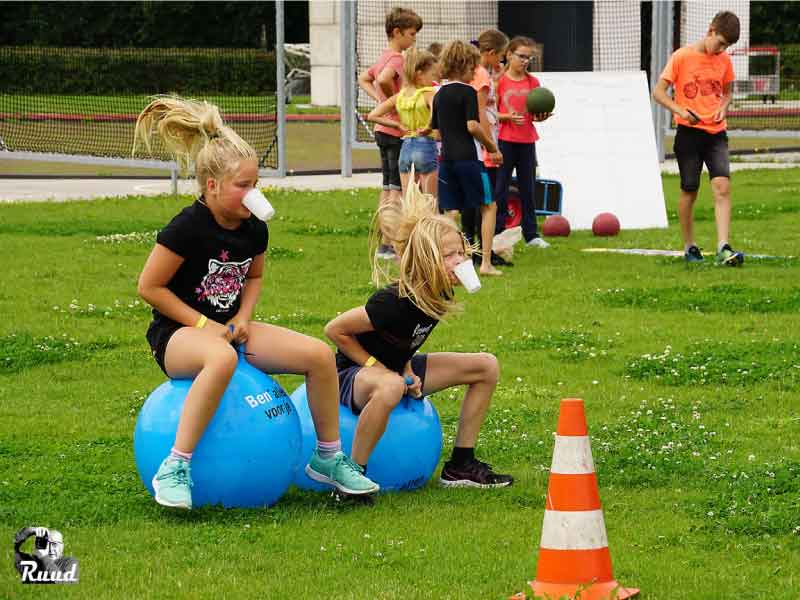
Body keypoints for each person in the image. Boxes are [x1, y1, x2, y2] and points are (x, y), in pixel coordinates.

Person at [134, 96, 378, 509]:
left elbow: (255, 276)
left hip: (231, 331)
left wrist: (243, 317)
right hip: (178, 336)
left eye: (256, 183)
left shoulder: (254, 228)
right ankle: (175, 466)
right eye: (242, 186)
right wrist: (202, 327)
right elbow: (149, 288)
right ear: (211, 186)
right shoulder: (186, 227)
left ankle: (329, 457)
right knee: (222, 360)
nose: (253, 193)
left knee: (319, 355)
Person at [325, 180, 514, 489]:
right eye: (449, 255)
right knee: (389, 387)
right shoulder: (393, 302)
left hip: (395, 369)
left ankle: (460, 466)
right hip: (352, 374)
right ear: (426, 260)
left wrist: (407, 367)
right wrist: (380, 369)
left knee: (486, 366)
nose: (461, 260)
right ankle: (352, 476)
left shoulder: (439, 292)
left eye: (461, 252)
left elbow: (404, 341)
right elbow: (336, 330)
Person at [652, 10, 744, 266]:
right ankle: (689, 246)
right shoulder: (682, 56)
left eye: (726, 46)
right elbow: (658, 93)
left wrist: (724, 107)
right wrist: (681, 111)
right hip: (688, 134)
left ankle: (723, 247)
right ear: (711, 30)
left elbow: (726, 94)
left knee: (722, 186)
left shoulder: (724, 61)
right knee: (689, 190)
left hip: (716, 134)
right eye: (721, 43)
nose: (722, 49)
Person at [430, 40, 504, 277]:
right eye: (473, 66)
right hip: (470, 160)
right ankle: (485, 263)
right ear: (464, 65)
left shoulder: (439, 94)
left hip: (447, 160)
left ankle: (448, 262)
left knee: (451, 212)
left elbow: (436, 131)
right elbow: (472, 126)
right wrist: (492, 146)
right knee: (489, 206)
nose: (475, 71)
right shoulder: (468, 92)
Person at [358, 6, 423, 260]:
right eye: (411, 33)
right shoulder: (397, 59)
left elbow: (364, 78)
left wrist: (380, 104)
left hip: (381, 130)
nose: (414, 39)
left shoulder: (384, 55)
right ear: (397, 33)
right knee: (396, 189)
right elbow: (384, 79)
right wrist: (391, 102)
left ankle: (383, 241)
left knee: (387, 188)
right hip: (395, 131)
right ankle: (388, 244)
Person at [494, 36, 552, 250]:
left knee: (528, 188)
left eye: (529, 57)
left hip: (527, 140)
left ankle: (531, 234)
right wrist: (507, 117)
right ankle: (498, 231)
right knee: (500, 187)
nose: (525, 61)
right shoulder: (498, 82)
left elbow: (536, 114)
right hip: (504, 141)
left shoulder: (533, 83)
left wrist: (541, 116)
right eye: (521, 56)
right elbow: (489, 114)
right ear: (509, 55)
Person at [463, 30, 514, 264]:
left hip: (471, 147)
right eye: (501, 56)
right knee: (486, 202)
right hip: (482, 147)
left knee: (472, 200)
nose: (501, 61)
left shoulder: (473, 71)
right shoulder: (481, 75)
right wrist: (490, 146)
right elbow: (480, 111)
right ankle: (483, 253)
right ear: (491, 53)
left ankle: (471, 249)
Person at [367, 48, 439, 198]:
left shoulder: (400, 96)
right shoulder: (428, 93)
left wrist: (397, 125)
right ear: (419, 74)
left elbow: (372, 115)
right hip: (425, 145)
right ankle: (428, 222)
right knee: (429, 200)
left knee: (409, 201)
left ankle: (408, 221)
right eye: (432, 74)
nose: (435, 78)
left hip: (405, 148)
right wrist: (428, 127)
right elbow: (436, 112)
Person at [14, 527, 78, 584]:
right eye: (46, 544)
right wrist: (29, 531)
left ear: (62, 546)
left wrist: (44, 557)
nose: (50, 548)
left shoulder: (69, 562)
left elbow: (68, 584)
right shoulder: (30, 563)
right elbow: (9, 550)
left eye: (54, 544)